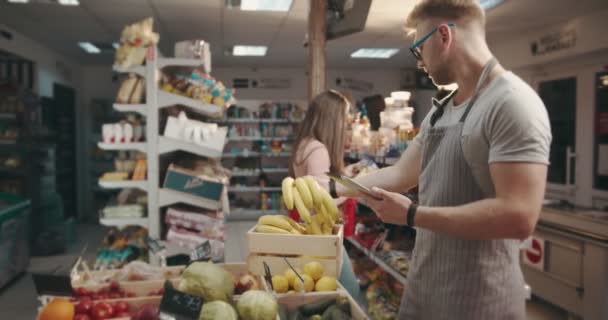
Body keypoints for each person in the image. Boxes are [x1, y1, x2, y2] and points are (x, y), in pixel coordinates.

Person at [329, 0, 552, 319]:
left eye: (418, 49)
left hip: (479, 301)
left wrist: (413, 215)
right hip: (425, 289)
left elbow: (519, 216)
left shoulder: (512, 103)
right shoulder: (441, 110)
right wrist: (333, 188)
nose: (419, 63)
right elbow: (400, 174)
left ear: (443, 35)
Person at [288, 89, 360, 298]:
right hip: (318, 231)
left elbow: (315, 182)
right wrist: (354, 188)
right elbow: (323, 197)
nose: (344, 124)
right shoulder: (319, 149)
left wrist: (343, 175)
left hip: (303, 224)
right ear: (332, 119)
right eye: (343, 118)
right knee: (350, 291)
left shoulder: (305, 143)